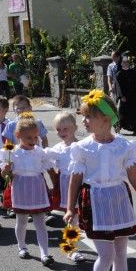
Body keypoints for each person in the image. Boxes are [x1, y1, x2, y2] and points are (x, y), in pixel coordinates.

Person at [65, 91, 136, 271]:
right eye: (83, 117)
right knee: (106, 254)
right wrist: (69, 207)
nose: (84, 121)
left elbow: (134, 176)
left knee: (121, 253)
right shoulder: (82, 147)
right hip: (94, 199)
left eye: (88, 117)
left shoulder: (123, 146)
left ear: (105, 119)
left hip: (119, 198)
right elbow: (75, 178)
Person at [0, 118, 57, 266]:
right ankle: (22, 246)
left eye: (35, 137)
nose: (33, 140)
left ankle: (45, 253)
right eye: (28, 137)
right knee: (22, 220)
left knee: (40, 222)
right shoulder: (11, 153)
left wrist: (55, 185)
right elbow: (4, 176)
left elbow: (49, 170)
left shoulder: (41, 153)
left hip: (37, 188)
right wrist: (5, 171)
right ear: (18, 136)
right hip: (20, 188)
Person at [46, 112, 85, 262]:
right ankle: (71, 248)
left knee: (81, 218)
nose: (61, 133)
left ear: (75, 128)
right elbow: (50, 165)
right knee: (72, 218)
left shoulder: (81, 146)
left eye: (65, 129)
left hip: (80, 185)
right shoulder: (57, 148)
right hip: (65, 186)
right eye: (58, 129)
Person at [114, 55, 136, 136]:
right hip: (124, 98)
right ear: (121, 63)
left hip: (134, 97)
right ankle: (118, 129)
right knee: (122, 113)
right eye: (124, 62)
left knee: (135, 113)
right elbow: (117, 86)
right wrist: (121, 96)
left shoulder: (134, 73)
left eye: (127, 62)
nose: (126, 63)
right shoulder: (119, 74)